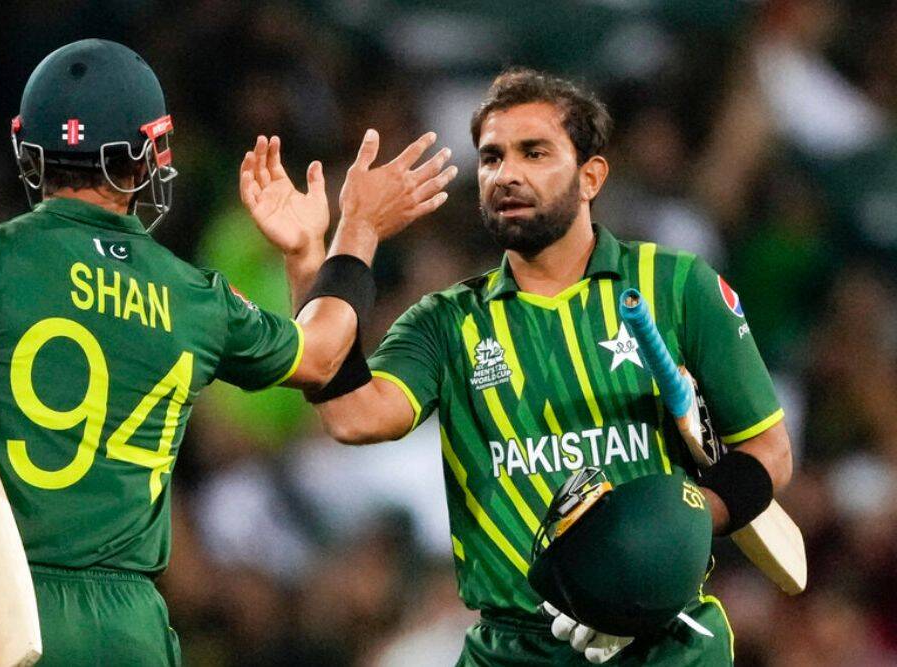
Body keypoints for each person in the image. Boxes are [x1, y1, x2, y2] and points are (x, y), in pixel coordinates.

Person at [0, 38, 454, 666]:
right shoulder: (192, 295)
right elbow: (324, 356)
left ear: (29, 149)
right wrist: (339, 237)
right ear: (146, 156)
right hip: (132, 629)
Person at [245, 68, 793, 665]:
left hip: (666, 644)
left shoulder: (679, 286)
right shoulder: (447, 321)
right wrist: (321, 251)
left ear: (591, 176)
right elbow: (352, 415)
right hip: (513, 649)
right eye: (492, 157)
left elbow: (769, 452)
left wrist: (658, 546)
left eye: (534, 153)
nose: (506, 174)